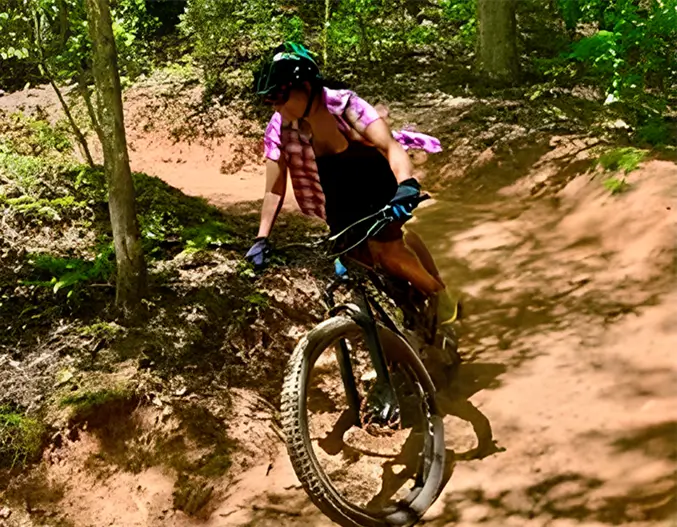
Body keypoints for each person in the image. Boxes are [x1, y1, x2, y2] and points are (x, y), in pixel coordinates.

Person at [245, 42, 460, 352]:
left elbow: (390, 147)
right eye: (269, 101)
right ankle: (406, 326)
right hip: (337, 195)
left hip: (373, 180)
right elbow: (273, 188)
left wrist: (406, 184)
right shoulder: (279, 129)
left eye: (279, 97)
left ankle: (440, 296)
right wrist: (261, 238)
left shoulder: (347, 106)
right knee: (355, 263)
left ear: (305, 87)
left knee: (386, 250)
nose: (276, 107)